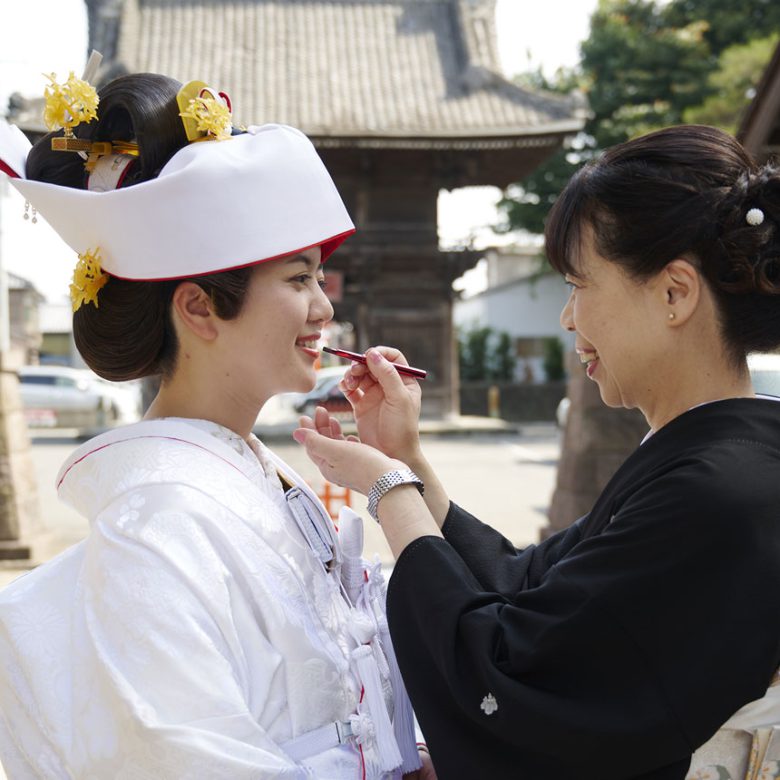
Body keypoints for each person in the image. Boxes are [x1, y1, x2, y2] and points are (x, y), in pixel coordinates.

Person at [292, 124, 780, 780]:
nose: (568, 317)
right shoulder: (707, 463)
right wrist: (407, 460)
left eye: (581, 286)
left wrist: (391, 492)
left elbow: (511, 675)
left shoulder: (723, 491)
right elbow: (530, 587)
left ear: (675, 293)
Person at [0, 67, 434, 779]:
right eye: (298, 280)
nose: (324, 308)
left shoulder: (250, 479)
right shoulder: (157, 525)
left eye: (319, 278)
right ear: (199, 309)